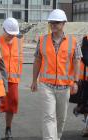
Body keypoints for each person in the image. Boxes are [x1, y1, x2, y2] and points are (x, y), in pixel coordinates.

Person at [31, 9, 82, 140]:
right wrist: (34, 80)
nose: (53, 24)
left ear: (63, 23)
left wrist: (75, 82)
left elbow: (77, 62)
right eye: (51, 22)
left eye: (57, 22)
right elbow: (37, 60)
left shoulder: (73, 41)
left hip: (64, 86)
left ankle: (56, 137)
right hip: (46, 85)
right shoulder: (42, 40)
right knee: (48, 116)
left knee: (60, 118)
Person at [0, 17, 23, 140]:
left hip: (13, 81)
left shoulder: (19, 42)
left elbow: (20, 60)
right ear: (3, 29)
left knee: (12, 104)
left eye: (13, 34)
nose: (11, 36)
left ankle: (8, 129)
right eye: (9, 34)